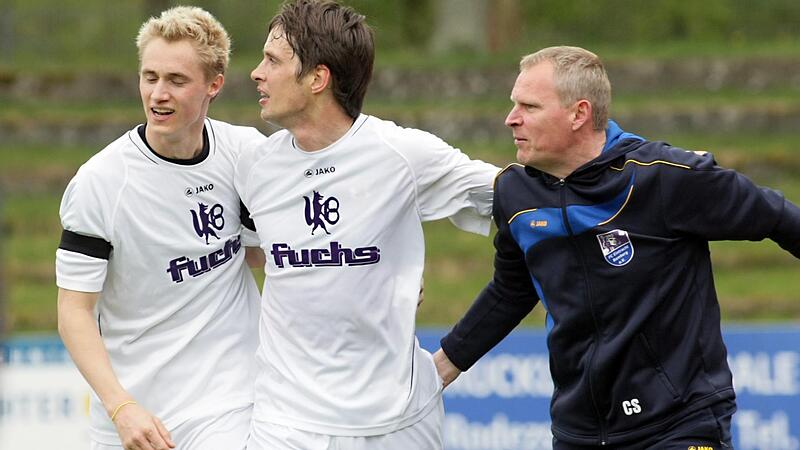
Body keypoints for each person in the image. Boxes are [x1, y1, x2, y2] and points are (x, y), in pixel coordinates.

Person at [433, 45, 800, 449]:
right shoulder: (515, 194)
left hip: (679, 424)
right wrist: (439, 370)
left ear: (579, 114)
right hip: (580, 432)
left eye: (529, 106)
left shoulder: (664, 177)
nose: (511, 118)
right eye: (513, 104)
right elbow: (512, 290)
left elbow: (779, 217)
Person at [235, 1, 499, 448]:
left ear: (318, 79)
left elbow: (515, 197)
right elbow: (256, 251)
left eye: (273, 61)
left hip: (397, 425)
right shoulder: (254, 167)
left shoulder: (401, 154)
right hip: (285, 425)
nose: (256, 73)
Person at [55, 6, 266, 450]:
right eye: (149, 77)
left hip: (230, 403)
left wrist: (369, 273)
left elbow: (272, 251)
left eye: (176, 80)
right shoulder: (100, 183)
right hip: (133, 412)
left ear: (214, 84)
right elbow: (74, 311)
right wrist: (120, 407)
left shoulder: (246, 154)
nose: (158, 94)